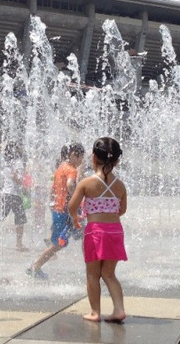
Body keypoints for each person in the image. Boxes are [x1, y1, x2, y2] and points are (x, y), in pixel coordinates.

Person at [68, 137, 127, 323]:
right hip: (115, 231)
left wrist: (76, 218)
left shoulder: (87, 183)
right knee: (109, 274)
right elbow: (122, 210)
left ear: (93, 158)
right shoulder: (120, 185)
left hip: (95, 232)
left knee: (92, 274)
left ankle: (95, 312)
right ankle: (119, 310)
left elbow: (72, 206)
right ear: (116, 160)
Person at [27, 142, 85, 279]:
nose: (82, 161)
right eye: (81, 157)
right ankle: (35, 267)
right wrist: (78, 195)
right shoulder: (71, 169)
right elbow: (71, 185)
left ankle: (35, 267)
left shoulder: (61, 167)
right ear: (73, 155)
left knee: (82, 235)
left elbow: (53, 189)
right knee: (60, 244)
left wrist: (52, 204)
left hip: (59, 210)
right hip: (68, 212)